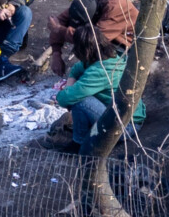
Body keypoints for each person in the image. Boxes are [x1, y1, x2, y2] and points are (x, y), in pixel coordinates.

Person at [52, 21, 145, 150]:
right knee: (78, 96)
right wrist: (71, 84)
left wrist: (68, 90)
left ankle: (79, 143)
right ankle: (82, 138)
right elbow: (77, 68)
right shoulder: (110, 57)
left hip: (125, 127)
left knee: (79, 100)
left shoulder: (99, 71)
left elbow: (64, 99)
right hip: (128, 117)